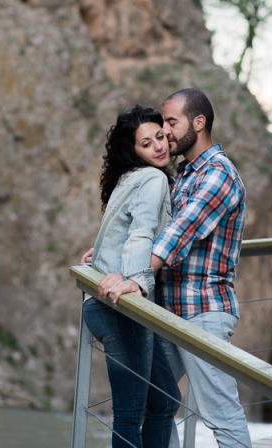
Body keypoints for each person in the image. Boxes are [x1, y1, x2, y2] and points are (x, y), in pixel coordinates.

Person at [149, 88, 252, 448]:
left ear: (199, 122)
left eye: (171, 122)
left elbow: (179, 233)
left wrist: (130, 276)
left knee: (221, 418)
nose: (164, 132)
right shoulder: (186, 174)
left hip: (203, 312)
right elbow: (155, 229)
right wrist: (105, 258)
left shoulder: (218, 174)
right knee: (154, 404)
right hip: (169, 312)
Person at [79, 104, 181, 448]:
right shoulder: (152, 178)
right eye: (146, 143)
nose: (158, 147)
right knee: (129, 412)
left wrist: (103, 256)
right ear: (133, 151)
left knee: (164, 399)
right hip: (122, 305)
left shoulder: (131, 177)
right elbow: (140, 232)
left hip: (108, 301)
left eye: (160, 137)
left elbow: (118, 229)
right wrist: (136, 280)